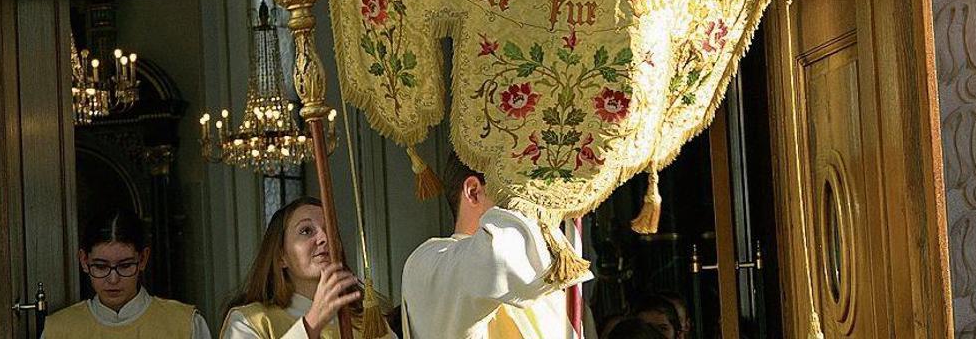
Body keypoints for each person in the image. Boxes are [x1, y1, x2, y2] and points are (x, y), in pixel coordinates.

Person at [401, 152, 594, 338]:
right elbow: (500, 259)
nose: (535, 202)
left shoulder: (548, 287)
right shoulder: (426, 264)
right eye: (521, 189)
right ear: (473, 192)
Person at [221, 196, 396, 339]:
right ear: (281, 256)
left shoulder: (366, 321)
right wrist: (312, 323)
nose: (324, 238)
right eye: (306, 231)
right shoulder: (251, 322)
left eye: (330, 229)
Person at [42, 208, 210, 338]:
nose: (113, 279)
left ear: (143, 259)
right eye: (101, 266)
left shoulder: (184, 324)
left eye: (125, 266)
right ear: (84, 261)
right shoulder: (58, 330)